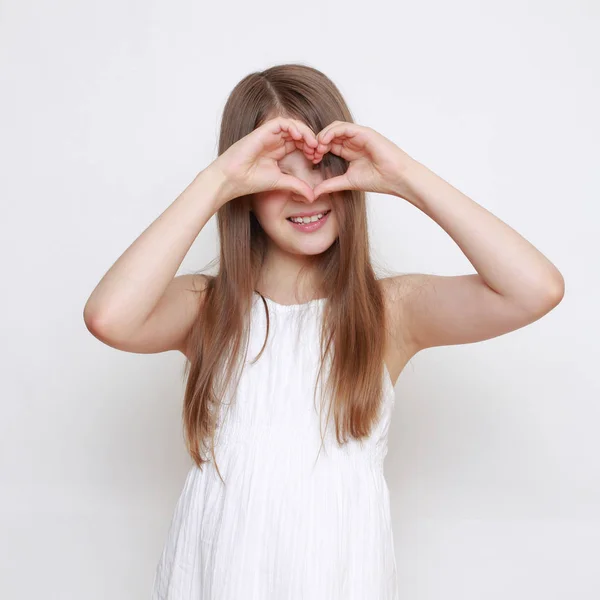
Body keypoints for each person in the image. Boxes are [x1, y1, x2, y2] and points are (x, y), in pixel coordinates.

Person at [83, 63, 565, 599]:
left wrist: (404, 176)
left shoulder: (388, 312)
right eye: (277, 172)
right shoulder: (208, 307)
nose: (307, 192)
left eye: (324, 168)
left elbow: (535, 288)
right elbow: (110, 316)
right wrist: (217, 181)